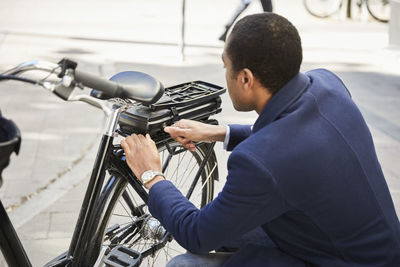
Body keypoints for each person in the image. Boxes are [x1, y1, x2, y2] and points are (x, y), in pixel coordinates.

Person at [120, 13, 400, 266]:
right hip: (375, 246)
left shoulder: (259, 162)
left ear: (245, 78)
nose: (225, 76)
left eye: (225, 67)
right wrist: (219, 132)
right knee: (229, 226)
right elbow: (295, 142)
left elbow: (196, 235)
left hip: (341, 260)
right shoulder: (327, 83)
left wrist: (151, 175)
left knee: (184, 264)